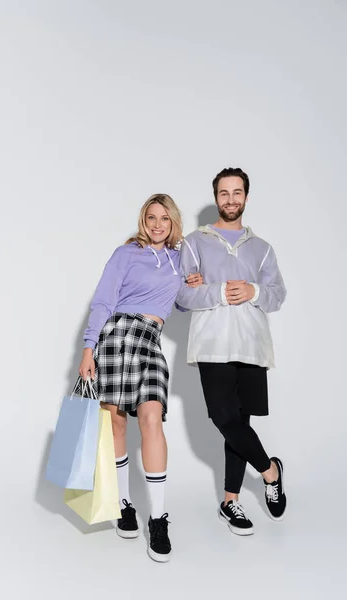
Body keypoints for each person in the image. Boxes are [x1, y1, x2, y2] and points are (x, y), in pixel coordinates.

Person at [78, 194, 202, 561]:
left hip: (150, 340)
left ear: (174, 221)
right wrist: (88, 349)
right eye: (151, 217)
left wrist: (192, 283)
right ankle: (124, 504)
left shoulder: (181, 259)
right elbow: (102, 301)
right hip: (116, 336)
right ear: (143, 220)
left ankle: (159, 518)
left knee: (151, 417)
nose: (158, 224)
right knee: (116, 425)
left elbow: (179, 301)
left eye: (165, 218)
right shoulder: (125, 254)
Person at [176, 167, 287, 536]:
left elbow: (277, 295)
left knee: (240, 425)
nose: (230, 200)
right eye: (224, 193)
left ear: (246, 197)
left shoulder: (263, 248)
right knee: (224, 417)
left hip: (252, 345)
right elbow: (182, 295)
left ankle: (230, 502)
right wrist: (219, 291)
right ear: (216, 197)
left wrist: (254, 291)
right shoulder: (194, 242)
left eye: (237, 193)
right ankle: (270, 470)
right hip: (212, 345)